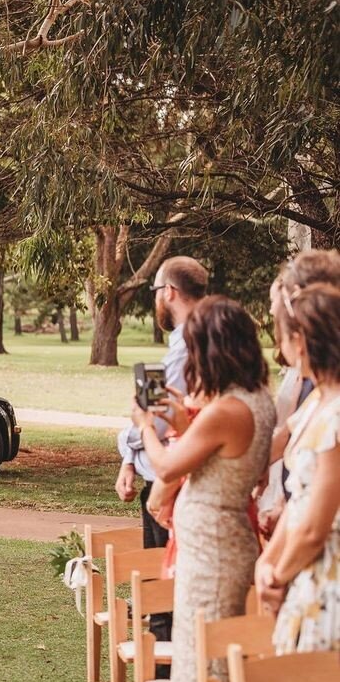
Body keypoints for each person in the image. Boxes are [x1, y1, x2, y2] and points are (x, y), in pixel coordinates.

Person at [132, 296, 276, 682]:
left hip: (212, 549)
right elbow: (221, 456)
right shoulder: (256, 398)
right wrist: (183, 423)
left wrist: (146, 427)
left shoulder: (227, 409)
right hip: (218, 543)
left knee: (207, 664)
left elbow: (166, 467)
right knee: (207, 654)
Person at [115, 255, 207, 650]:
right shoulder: (188, 340)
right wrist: (129, 459)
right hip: (156, 467)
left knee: (164, 586)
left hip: (171, 478)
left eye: (155, 291)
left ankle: (167, 675)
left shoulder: (188, 342)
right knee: (161, 585)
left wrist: (129, 439)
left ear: (168, 291)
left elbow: (163, 418)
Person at [255, 284, 340, 653]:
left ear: (300, 341)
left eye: (281, 333)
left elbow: (314, 527)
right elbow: (298, 500)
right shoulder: (316, 403)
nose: (279, 345)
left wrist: (278, 576)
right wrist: (268, 563)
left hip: (328, 580)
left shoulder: (336, 416)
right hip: (304, 573)